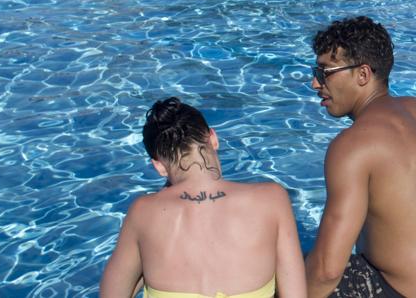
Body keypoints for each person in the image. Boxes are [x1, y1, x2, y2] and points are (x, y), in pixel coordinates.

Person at [305, 16, 416, 298]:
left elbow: (327, 270)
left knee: (283, 268)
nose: (315, 83)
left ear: (362, 75)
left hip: (400, 294)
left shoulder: (353, 145)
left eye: (324, 72)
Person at [99, 97, 306, 298]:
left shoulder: (143, 212)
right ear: (213, 138)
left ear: (159, 165)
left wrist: (146, 260)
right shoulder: (271, 199)